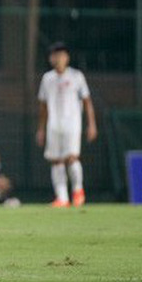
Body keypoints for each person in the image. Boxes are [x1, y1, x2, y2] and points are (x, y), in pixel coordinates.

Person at [36, 41, 97, 207]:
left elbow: (87, 102)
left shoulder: (76, 76)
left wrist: (91, 124)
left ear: (67, 57)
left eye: (61, 55)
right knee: (56, 160)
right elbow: (43, 106)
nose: (58, 58)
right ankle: (62, 197)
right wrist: (41, 129)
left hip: (72, 123)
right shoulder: (47, 78)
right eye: (55, 55)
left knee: (71, 157)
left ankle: (78, 191)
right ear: (50, 58)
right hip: (54, 125)